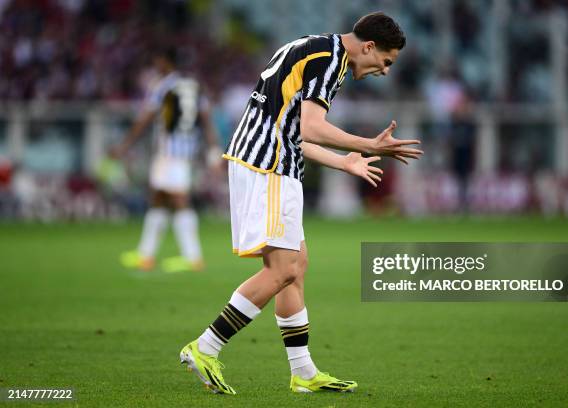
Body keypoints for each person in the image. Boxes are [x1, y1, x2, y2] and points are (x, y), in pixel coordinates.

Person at [180, 12, 422, 394]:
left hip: (263, 161)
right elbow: (310, 128)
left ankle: (303, 372)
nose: (385, 70)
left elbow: (295, 130)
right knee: (282, 269)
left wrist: (343, 161)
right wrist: (368, 145)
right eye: (385, 62)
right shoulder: (331, 60)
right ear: (369, 47)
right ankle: (206, 347)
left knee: (296, 265)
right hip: (270, 166)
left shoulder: (313, 47)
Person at [111, 48, 221, 273]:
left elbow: (146, 116)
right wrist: (212, 149)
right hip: (186, 149)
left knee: (179, 198)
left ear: (165, 62)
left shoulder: (163, 86)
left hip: (169, 151)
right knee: (159, 198)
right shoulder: (194, 86)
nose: (155, 66)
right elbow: (206, 119)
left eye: (157, 61)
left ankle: (193, 257)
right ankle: (146, 255)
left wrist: (124, 145)